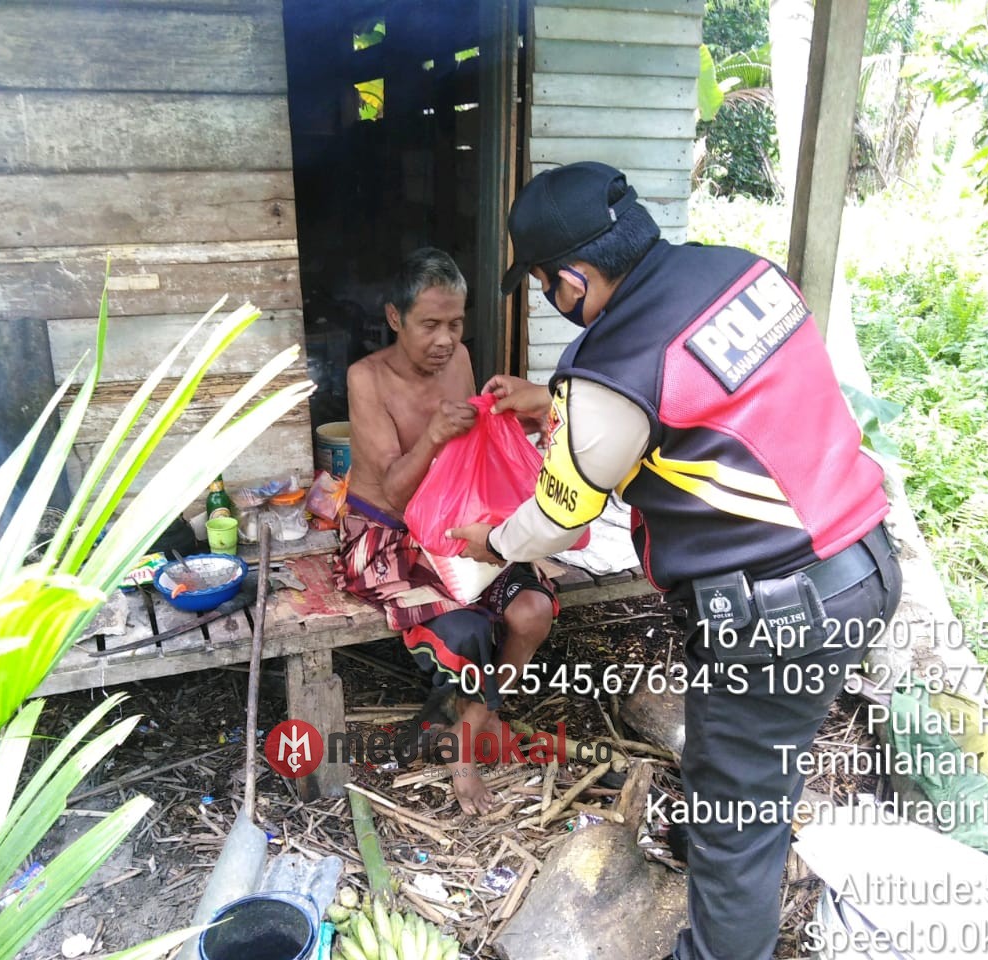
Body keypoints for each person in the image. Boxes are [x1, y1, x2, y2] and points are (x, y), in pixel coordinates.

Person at [448, 162, 903, 960]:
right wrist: (558, 400)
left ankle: (725, 913)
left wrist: (493, 542)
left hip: (777, 613)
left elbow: (561, 512)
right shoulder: (744, 273)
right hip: (861, 563)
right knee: (759, 759)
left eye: (548, 287)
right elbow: (710, 391)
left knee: (738, 828)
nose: (552, 301)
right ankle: (728, 837)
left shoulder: (614, 365)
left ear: (571, 279)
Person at [332, 247, 558, 816]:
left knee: (532, 610)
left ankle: (486, 710)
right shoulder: (368, 379)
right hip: (388, 536)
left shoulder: (458, 361)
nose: (445, 339)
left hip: (451, 523)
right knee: (463, 631)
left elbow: (474, 449)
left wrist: (516, 417)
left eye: (455, 324)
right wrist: (432, 434)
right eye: (429, 324)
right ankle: (464, 762)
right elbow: (396, 493)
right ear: (394, 318)